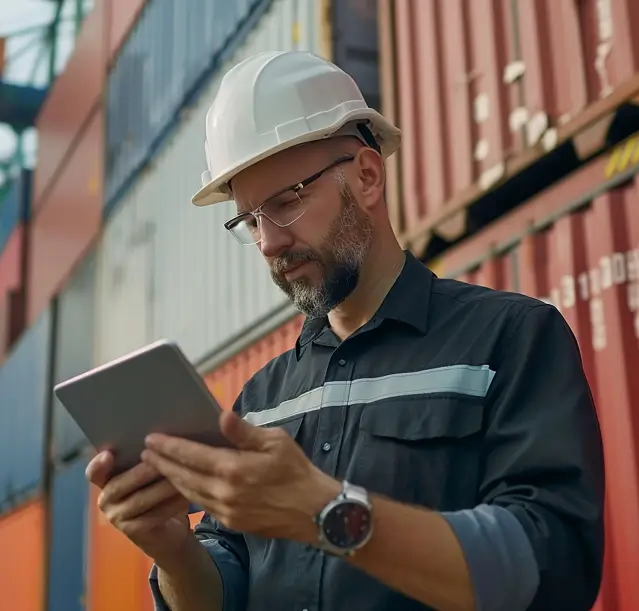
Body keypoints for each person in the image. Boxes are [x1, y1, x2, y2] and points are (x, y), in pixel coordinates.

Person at [86, 50, 605, 611]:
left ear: (367, 176)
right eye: (250, 220)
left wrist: (326, 511)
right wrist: (174, 551)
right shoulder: (258, 402)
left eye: (286, 202)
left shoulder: (510, 340)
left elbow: (554, 568)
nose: (268, 242)